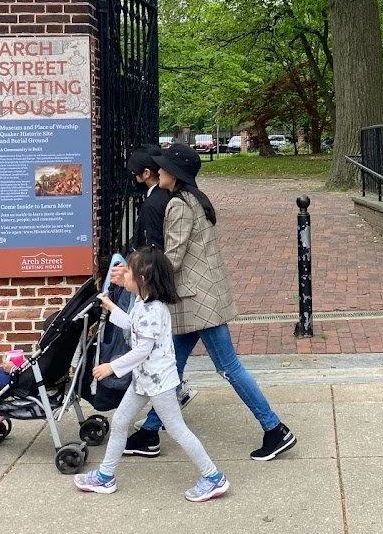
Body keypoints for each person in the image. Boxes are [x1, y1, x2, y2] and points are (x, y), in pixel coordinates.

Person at [119, 143, 297, 462]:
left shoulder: (178, 206)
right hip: (199, 299)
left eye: (162, 167)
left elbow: (172, 258)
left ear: (174, 173)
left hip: (198, 302)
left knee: (228, 367)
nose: (157, 171)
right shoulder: (194, 199)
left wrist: (137, 274)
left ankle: (275, 429)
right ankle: (149, 433)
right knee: (171, 366)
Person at [74, 246, 229, 502]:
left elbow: (142, 350)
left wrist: (112, 367)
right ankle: (105, 476)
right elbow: (131, 324)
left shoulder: (150, 311)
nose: (124, 277)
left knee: (177, 430)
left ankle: (213, 477)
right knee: (121, 422)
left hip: (158, 383)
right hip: (144, 380)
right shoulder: (144, 305)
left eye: (129, 273)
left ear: (143, 280)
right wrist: (112, 306)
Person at [121, 145, 196, 457]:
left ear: (147, 173)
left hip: (152, 283)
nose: (137, 180)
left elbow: (156, 245)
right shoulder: (166, 199)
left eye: (138, 175)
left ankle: (167, 404)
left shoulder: (158, 203)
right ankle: (157, 418)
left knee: (146, 340)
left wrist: (141, 278)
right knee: (171, 348)